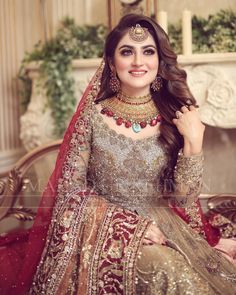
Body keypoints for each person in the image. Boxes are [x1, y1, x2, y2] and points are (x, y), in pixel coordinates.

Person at [1, 13, 236, 295]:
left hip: (167, 229)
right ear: (112, 62)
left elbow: (184, 199)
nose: (138, 62)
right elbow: (71, 191)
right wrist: (128, 227)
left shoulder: (174, 116)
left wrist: (194, 143)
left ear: (160, 61)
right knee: (168, 270)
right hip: (105, 233)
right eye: (127, 52)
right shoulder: (93, 116)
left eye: (148, 51)